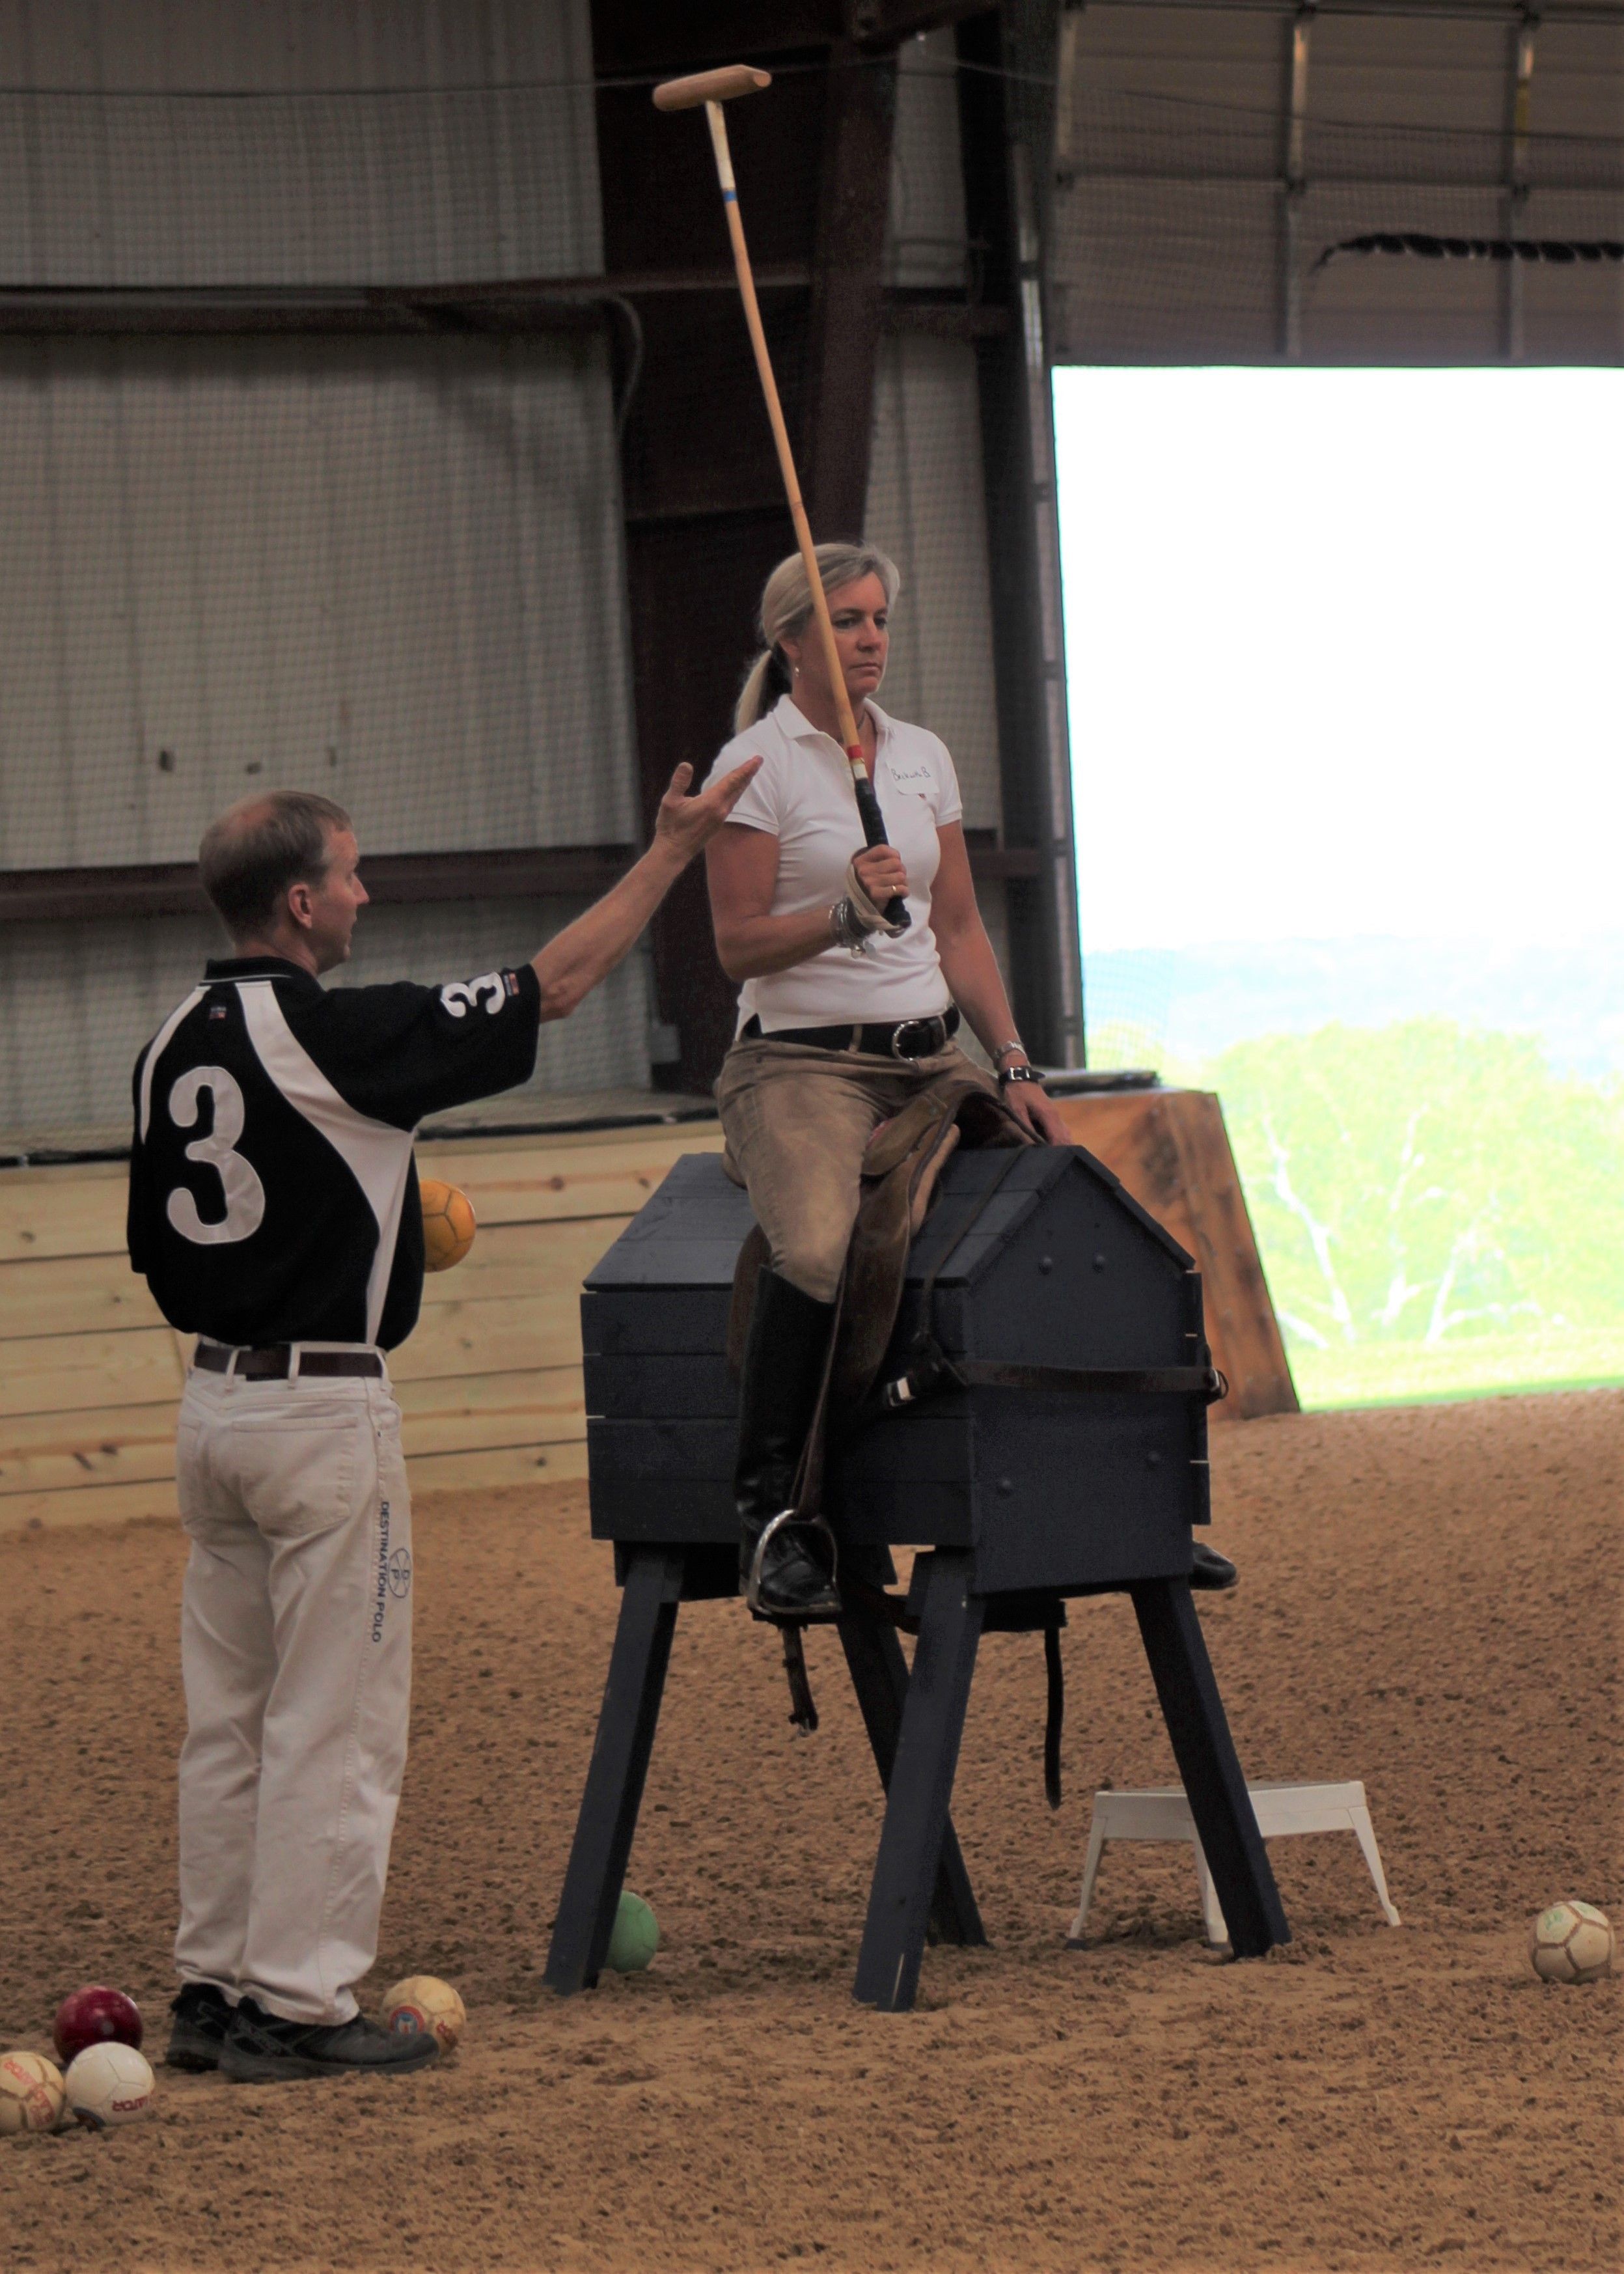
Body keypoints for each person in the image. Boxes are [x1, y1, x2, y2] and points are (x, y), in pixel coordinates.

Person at [128, 761, 757, 2083]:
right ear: (301, 903)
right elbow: (553, 986)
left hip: (211, 1406)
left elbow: (159, 1245)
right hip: (322, 1411)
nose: (365, 893)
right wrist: (669, 854)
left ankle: (212, 1989)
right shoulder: (343, 1035)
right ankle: (300, 2002)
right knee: (339, 1719)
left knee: (228, 1720)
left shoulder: (170, 1039)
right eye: (350, 874)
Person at [704, 542, 1237, 1620]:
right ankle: (774, 1521)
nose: (871, 639)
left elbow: (956, 927)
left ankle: (1135, 1500)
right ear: (791, 640)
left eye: (879, 619)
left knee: (1073, 1211)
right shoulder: (754, 767)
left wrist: (1014, 1062)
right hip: (801, 1065)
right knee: (815, 1248)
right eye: (847, 621)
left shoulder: (921, 757)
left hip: (932, 1061)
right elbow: (736, 945)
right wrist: (843, 914)